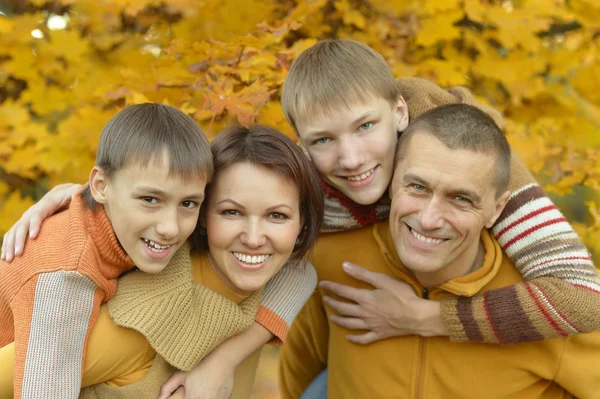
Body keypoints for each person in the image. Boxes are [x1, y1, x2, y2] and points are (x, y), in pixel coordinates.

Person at [4, 39, 600, 392]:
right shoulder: (316, 202)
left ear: (398, 112)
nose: (352, 158)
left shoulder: (471, 164)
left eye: (366, 128)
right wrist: (83, 206)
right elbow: (187, 181)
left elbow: (584, 296)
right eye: (323, 141)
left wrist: (427, 318)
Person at [280, 104, 600, 398]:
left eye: (461, 198)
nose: (429, 219)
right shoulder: (331, 258)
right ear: (392, 181)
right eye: (417, 187)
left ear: (496, 208)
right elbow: (301, 380)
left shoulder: (550, 312)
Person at [72, 124, 321, 398]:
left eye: (276, 216)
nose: (253, 238)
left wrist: (221, 362)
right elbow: (21, 374)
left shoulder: (263, 288)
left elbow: (302, 271)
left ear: (302, 223)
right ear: (202, 213)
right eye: (231, 212)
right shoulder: (144, 320)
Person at [0, 103, 213, 398]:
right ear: (100, 186)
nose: (171, 228)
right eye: (151, 199)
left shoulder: (109, 221)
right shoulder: (65, 280)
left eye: (188, 203)